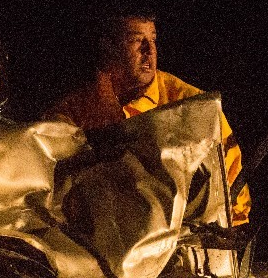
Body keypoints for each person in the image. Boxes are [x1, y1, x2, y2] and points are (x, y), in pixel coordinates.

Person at [45, 14, 251, 225]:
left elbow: (233, 188)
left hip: (182, 244)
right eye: (136, 40)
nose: (149, 51)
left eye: (152, 39)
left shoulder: (192, 104)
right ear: (108, 46)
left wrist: (235, 235)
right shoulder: (76, 110)